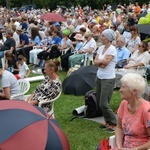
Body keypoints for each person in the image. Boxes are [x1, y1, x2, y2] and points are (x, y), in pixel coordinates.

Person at [115, 73, 150, 149]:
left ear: (134, 91)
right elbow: (119, 127)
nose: (120, 90)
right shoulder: (124, 104)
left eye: (123, 87)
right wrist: (119, 146)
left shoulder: (146, 110)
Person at [94, 29, 117, 132]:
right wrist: (100, 61)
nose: (101, 37)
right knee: (100, 101)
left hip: (108, 78)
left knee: (104, 103)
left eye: (103, 36)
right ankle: (107, 121)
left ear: (108, 38)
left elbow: (104, 65)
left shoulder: (112, 49)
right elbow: (95, 62)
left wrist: (100, 62)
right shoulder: (101, 48)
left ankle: (114, 122)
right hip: (99, 77)